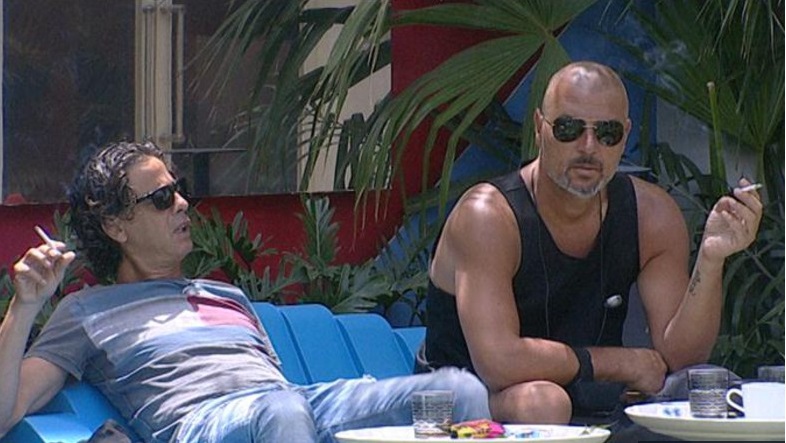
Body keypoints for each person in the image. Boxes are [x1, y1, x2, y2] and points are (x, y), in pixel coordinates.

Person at [0, 141, 491, 442]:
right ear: (115, 226)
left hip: (292, 407)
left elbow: (277, 392)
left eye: (179, 189)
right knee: (282, 412)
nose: (182, 204)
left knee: (457, 392)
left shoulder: (225, 297)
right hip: (203, 425)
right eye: (161, 198)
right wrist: (25, 306)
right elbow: (5, 413)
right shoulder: (86, 311)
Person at [417, 61, 763, 425]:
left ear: (624, 136)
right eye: (568, 129)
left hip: (586, 399)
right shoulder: (488, 216)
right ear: (539, 128)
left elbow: (680, 359)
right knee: (544, 403)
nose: (588, 147)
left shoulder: (651, 215)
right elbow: (499, 363)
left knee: (707, 389)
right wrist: (620, 363)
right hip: (463, 401)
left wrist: (711, 259)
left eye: (607, 133)